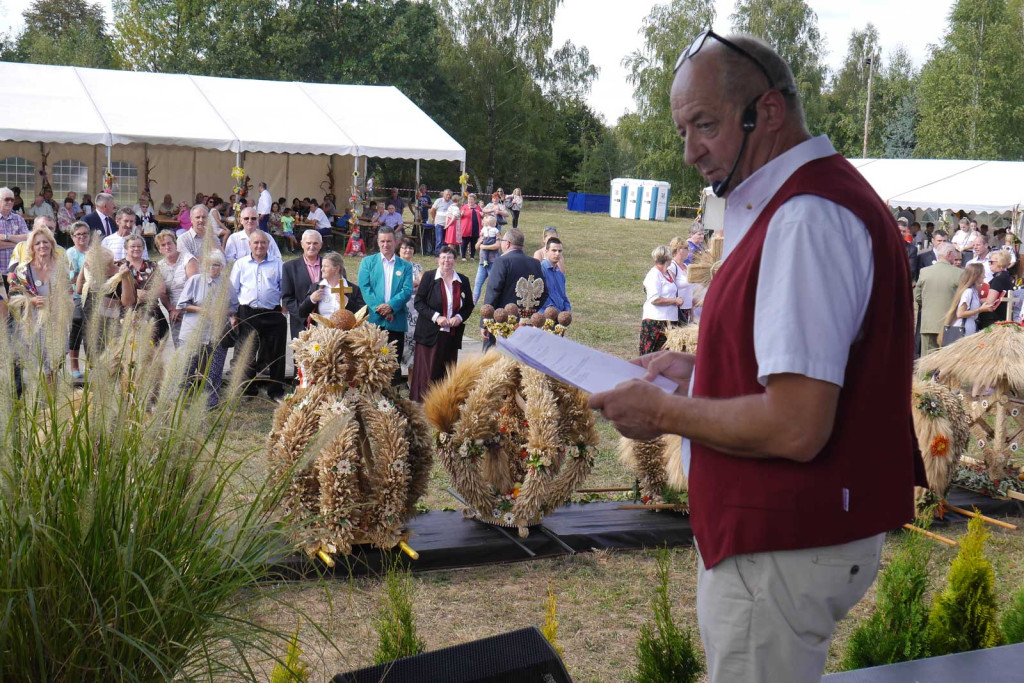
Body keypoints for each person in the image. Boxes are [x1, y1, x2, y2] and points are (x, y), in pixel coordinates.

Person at [589, 32, 916, 683]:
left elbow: (796, 424)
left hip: (780, 547)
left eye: (704, 124)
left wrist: (663, 413)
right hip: (790, 539)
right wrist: (700, 371)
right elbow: (802, 368)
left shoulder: (804, 217)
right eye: (685, 129)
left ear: (765, 111)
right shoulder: (809, 202)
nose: (690, 151)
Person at [410, 246, 474, 402]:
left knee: (447, 369)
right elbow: (419, 302)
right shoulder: (429, 277)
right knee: (428, 370)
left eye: (450, 258)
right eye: (443, 258)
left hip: (451, 335)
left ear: (455, 261)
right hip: (430, 334)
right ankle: (424, 402)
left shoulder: (462, 280)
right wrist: (436, 317)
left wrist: (459, 317)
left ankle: (442, 402)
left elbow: (469, 305)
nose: (447, 261)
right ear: (438, 260)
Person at [229, 230, 287, 401]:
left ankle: (276, 390)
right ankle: (248, 390)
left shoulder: (278, 264)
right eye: (256, 243)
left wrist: (284, 307)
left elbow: (284, 287)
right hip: (248, 313)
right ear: (250, 245)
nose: (260, 245)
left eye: (263, 242)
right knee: (247, 353)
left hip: (273, 312)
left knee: (277, 353)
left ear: (268, 244)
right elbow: (233, 291)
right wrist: (233, 314)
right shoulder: (241, 264)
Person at [177, 250, 237, 408]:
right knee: (186, 367)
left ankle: (210, 403)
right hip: (193, 331)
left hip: (216, 332)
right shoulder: (195, 280)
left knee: (214, 368)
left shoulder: (226, 284)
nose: (213, 268)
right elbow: (182, 304)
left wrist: (226, 314)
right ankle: (179, 401)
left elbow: (234, 307)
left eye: (216, 265)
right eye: (209, 264)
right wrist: (204, 310)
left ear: (222, 267)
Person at [357, 226, 413, 385]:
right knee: (372, 363)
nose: (385, 244)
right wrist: (380, 308)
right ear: (378, 242)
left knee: (393, 364)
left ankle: (392, 401)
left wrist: (391, 307)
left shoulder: (405, 266)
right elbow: (364, 287)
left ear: (395, 242)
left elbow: (407, 290)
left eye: (389, 241)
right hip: (374, 321)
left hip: (396, 320)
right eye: (382, 241)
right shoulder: (368, 262)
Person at [7, 226, 68, 374]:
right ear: (32, 247)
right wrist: (31, 301)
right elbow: (12, 295)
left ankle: (49, 397)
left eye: (46, 242)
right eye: (38, 243)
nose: (42, 246)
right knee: (34, 368)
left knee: (53, 368)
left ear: (52, 244)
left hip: (55, 322)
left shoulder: (61, 268)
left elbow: (69, 294)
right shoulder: (22, 270)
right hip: (31, 323)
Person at [482, 227, 544, 351]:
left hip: (501, 321)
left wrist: (485, 321)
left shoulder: (502, 261)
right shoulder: (535, 263)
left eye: (502, 240)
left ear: (508, 243)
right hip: (526, 322)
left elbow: (493, 291)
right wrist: (530, 311)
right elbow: (543, 291)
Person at [915, 242, 962, 356]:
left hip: (928, 323)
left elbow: (917, 297)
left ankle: (925, 375)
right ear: (949, 254)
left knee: (926, 359)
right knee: (947, 360)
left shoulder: (924, 272)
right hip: (950, 323)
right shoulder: (959, 273)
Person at [297, 251, 365, 326]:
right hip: (320, 334)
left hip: (345, 335)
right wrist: (311, 299)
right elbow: (301, 313)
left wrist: (347, 303)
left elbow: (364, 314)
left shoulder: (353, 289)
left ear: (337, 269)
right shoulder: (316, 287)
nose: (322, 269)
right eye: (322, 266)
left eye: (325, 266)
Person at [639, 245, 682, 354]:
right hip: (656, 321)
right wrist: (675, 301)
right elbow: (655, 299)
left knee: (665, 356)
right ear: (668, 259)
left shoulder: (668, 274)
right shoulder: (654, 275)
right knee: (651, 354)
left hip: (669, 320)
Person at [281, 229, 324, 340]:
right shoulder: (289, 267)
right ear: (301, 244)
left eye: (315, 243)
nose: (312, 246)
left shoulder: (330, 265)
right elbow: (287, 299)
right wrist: (303, 315)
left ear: (321, 245)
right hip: (301, 323)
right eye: (308, 243)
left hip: (326, 325)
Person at [155, 229, 195, 347]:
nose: (167, 247)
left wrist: (179, 307)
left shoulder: (188, 259)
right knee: (180, 348)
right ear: (159, 249)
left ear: (175, 244)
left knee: (193, 348)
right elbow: (162, 293)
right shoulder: (159, 266)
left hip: (191, 306)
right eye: (163, 245)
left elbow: (193, 285)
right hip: (174, 312)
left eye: (169, 243)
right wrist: (170, 309)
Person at [940, 263, 991, 344]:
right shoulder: (968, 292)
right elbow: (960, 313)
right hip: (964, 328)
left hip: (969, 326)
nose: (984, 276)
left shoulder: (973, 291)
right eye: (983, 274)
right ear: (977, 276)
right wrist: (980, 310)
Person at [66, 222, 90, 379]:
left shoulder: (94, 252)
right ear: (72, 237)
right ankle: (74, 366)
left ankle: (92, 364)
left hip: (94, 296)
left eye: (84, 234)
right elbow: (71, 279)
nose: (81, 237)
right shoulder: (71, 253)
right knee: (77, 323)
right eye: (78, 234)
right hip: (77, 296)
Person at [398, 238, 423, 371]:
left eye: (411, 248)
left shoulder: (417, 267)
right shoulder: (395, 266)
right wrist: (413, 283)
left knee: (412, 341)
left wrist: (414, 284)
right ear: (399, 251)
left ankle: (411, 378)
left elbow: (422, 283)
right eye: (404, 248)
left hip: (414, 309)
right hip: (400, 306)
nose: (408, 250)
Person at [978, 249, 1014, 329]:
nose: (989, 264)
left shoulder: (998, 279)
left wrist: (977, 299)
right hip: (1001, 317)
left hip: (993, 319)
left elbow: (990, 302)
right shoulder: (1006, 277)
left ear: (1000, 263)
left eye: (991, 262)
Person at [0, 186, 30, 273]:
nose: (10, 202)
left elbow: (27, 238)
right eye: (6, 199)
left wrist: (6, 237)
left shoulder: (18, 218)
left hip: (15, 270)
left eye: (12, 200)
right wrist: (16, 243)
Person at [473, 215, 502, 304]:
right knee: (477, 284)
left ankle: (493, 304)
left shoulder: (496, 233)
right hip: (482, 263)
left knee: (493, 285)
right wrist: (481, 241)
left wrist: (485, 246)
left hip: (493, 262)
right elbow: (476, 247)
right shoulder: (484, 234)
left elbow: (498, 245)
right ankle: (472, 304)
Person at [539, 237, 570, 313]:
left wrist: (567, 309)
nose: (557, 253)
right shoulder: (540, 271)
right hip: (544, 317)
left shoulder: (560, 274)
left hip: (560, 318)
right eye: (554, 250)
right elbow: (539, 296)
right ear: (546, 251)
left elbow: (563, 296)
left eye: (560, 251)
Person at [668, 236, 694, 323]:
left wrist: (692, 313)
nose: (688, 251)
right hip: (676, 310)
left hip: (686, 309)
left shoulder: (686, 267)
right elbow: (669, 288)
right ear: (679, 249)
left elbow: (690, 291)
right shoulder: (672, 266)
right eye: (686, 248)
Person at [430, 189, 455, 255]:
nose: (448, 196)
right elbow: (432, 210)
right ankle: (437, 255)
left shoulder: (452, 203)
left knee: (446, 241)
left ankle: (444, 254)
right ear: (443, 194)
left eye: (449, 195)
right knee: (439, 240)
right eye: (447, 194)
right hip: (439, 223)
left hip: (448, 224)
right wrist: (434, 218)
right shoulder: (438, 201)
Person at [459, 193, 482, 261]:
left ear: (475, 200)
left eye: (471, 199)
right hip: (466, 228)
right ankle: (463, 256)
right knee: (464, 243)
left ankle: (472, 256)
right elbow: (459, 216)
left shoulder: (478, 207)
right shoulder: (464, 207)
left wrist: (482, 214)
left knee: (473, 243)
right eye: (469, 199)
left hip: (475, 227)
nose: (470, 201)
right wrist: (461, 214)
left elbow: (482, 216)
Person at [897, 217, 920, 282]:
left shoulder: (912, 249)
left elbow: (911, 271)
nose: (901, 233)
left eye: (904, 231)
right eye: (899, 231)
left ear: (907, 232)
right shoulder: (885, 245)